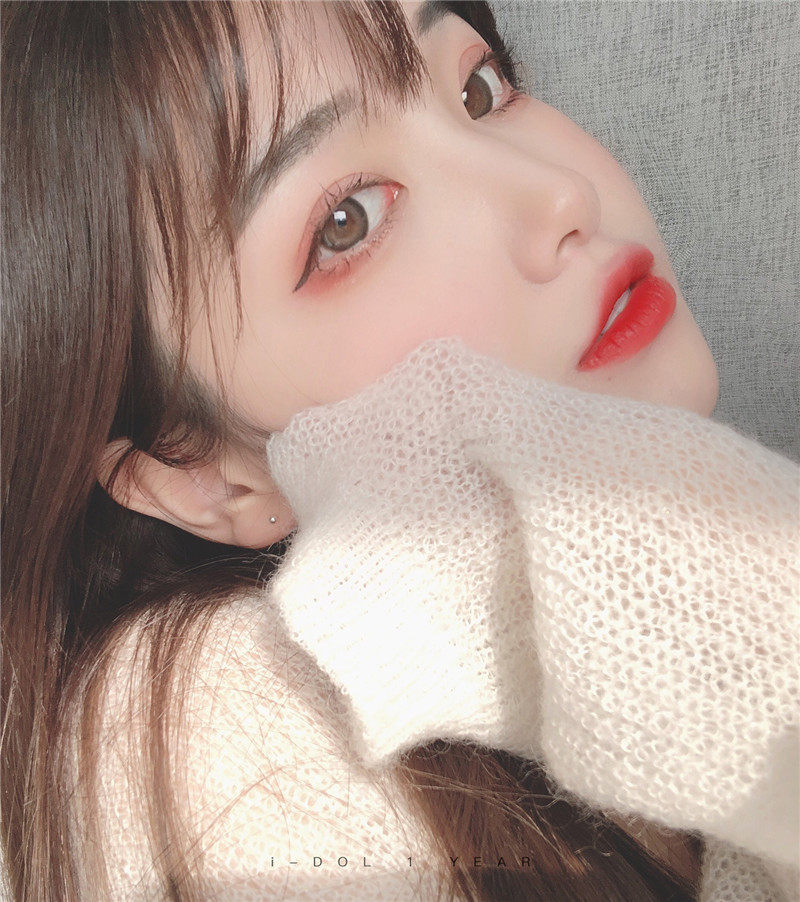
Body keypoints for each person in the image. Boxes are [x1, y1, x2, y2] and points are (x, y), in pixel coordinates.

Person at [2, 2, 796, 900]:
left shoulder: (630, 647)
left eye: (479, 87)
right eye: (348, 220)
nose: (561, 194)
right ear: (200, 477)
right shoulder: (219, 758)